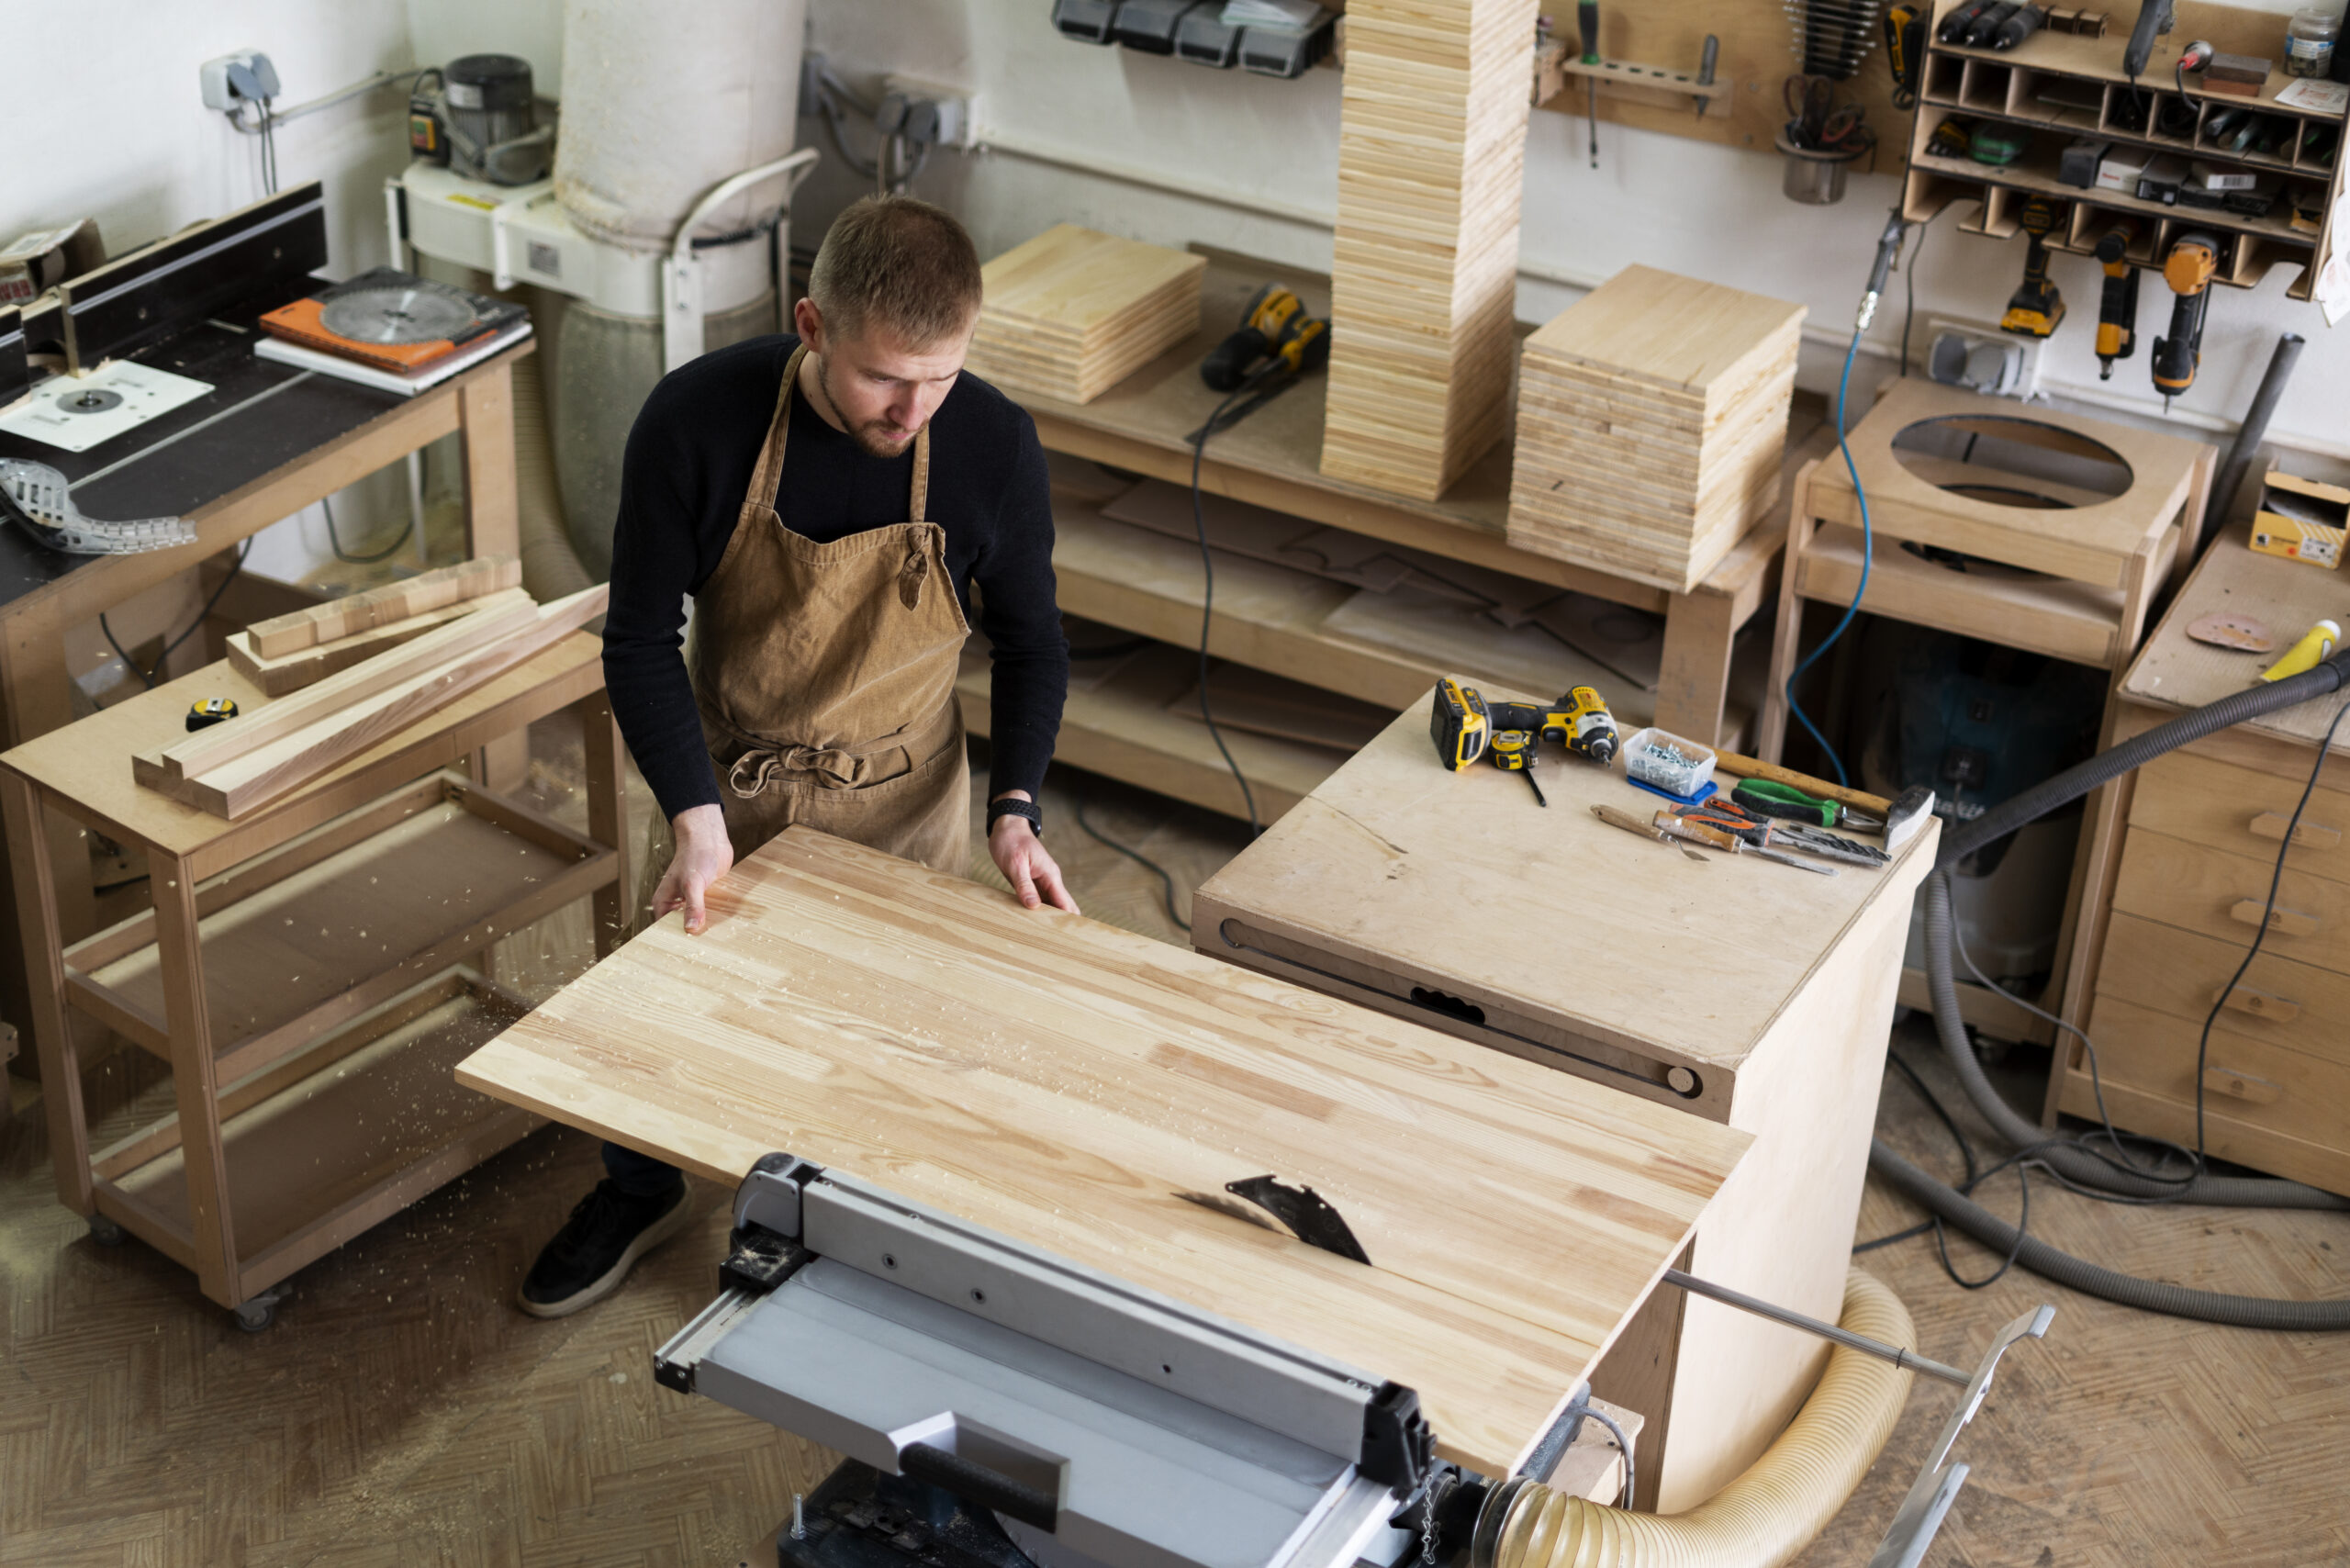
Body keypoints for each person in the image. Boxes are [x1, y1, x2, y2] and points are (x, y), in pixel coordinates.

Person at [516, 195, 1075, 1317]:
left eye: (941, 378)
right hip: (734, 788)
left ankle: (851, 1220)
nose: (913, 410)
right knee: (668, 1017)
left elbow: (1032, 640)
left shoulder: (991, 443)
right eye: (885, 379)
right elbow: (637, 638)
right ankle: (640, 1185)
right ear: (813, 326)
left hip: (903, 797)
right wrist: (692, 814)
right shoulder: (698, 421)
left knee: (884, 1035)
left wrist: (1015, 809)